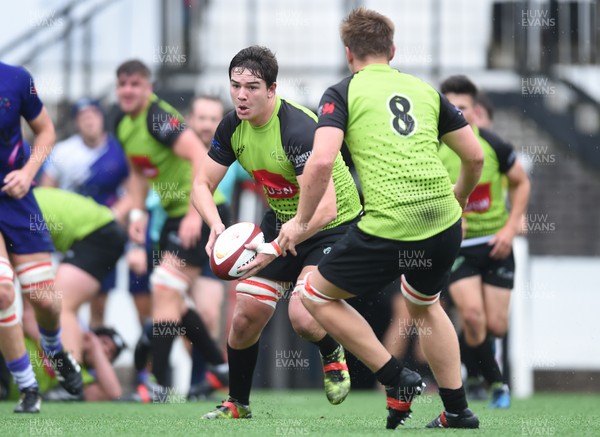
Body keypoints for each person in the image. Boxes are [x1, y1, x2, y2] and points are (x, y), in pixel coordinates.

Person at [276, 8, 484, 430]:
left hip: (391, 222)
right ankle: (458, 410)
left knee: (315, 296)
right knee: (425, 305)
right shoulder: (424, 89)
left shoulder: (342, 92)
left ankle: (395, 377)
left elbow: (319, 165)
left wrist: (299, 223)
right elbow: (474, 155)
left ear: (348, 52)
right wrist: (459, 196)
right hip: (443, 220)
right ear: (392, 50)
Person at [192, 45, 362, 419]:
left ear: (272, 89)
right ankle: (238, 403)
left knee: (302, 316)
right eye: (235, 85)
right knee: (245, 315)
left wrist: (283, 241)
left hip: (332, 226)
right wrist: (215, 224)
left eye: (252, 86)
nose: (240, 95)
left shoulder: (298, 129)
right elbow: (200, 185)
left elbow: (326, 207)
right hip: (283, 222)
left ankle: (332, 350)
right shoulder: (232, 126)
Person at [114, 59, 230, 389]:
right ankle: (220, 368)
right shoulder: (123, 123)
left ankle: (158, 383)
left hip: (202, 213)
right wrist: (136, 214)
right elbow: (137, 171)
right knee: (174, 300)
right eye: (122, 84)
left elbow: (198, 155)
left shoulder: (157, 117)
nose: (127, 90)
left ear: (148, 87)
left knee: (165, 288)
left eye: (135, 84)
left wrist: (196, 213)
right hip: (175, 217)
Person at [439, 75, 530, 408]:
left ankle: (476, 373)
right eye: (451, 108)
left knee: (495, 324)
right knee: (473, 316)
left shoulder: (495, 146)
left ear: (475, 111)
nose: (457, 114)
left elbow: (521, 183)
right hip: (460, 249)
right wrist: (449, 217)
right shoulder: (434, 150)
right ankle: (497, 383)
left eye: (462, 108)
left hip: (497, 244)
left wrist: (508, 229)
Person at [0, 61, 83, 413]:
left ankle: (53, 347)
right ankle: (27, 386)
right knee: (3, 290)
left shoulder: (17, 79)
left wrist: (28, 172)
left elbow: (46, 132)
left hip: (17, 199)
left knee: (45, 300)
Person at [38, 98, 151, 329]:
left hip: (107, 232)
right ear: (76, 122)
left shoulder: (120, 150)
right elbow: (46, 191)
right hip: (73, 234)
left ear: (102, 118)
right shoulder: (62, 152)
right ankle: (74, 348)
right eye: (82, 116)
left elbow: (136, 189)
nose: (89, 120)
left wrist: (111, 215)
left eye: (93, 114)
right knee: (66, 300)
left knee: (103, 300)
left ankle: (110, 352)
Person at [0, 326, 126, 402]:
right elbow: (27, 320)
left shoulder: (81, 376)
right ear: (90, 335)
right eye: (103, 342)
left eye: (110, 352)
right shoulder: (62, 332)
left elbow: (114, 394)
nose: (104, 350)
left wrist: (96, 348)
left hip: (7, 391)